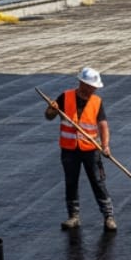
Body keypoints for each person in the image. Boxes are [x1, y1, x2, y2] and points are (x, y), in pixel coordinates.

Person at [44, 66, 117, 231]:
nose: (94, 89)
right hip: (69, 150)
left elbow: (103, 125)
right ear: (82, 84)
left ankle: (109, 217)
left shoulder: (97, 102)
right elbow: (49, 116)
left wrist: (105, 146)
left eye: (95, 87)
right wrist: (51, 109)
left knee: (98, 183)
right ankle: (73, 217)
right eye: (92, 86)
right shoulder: (65, 97)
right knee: (71, 182)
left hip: (91, 149)